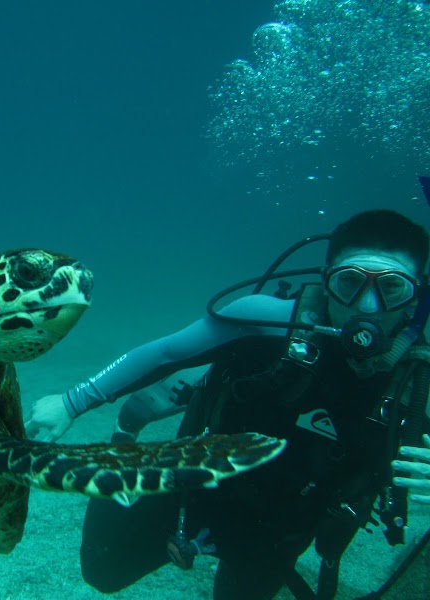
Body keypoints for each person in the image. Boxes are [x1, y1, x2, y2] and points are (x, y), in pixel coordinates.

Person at [25, 209, 430, 600]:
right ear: (327, 283)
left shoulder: (420, 380)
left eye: (392, 287)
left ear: (418, 297)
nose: (368, 306)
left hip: (286, 523)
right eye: (350, 283)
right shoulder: (263, 321)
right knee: (103, 572)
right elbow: (165, 353)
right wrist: (72, 402)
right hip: (196, 483)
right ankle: (125, 439)